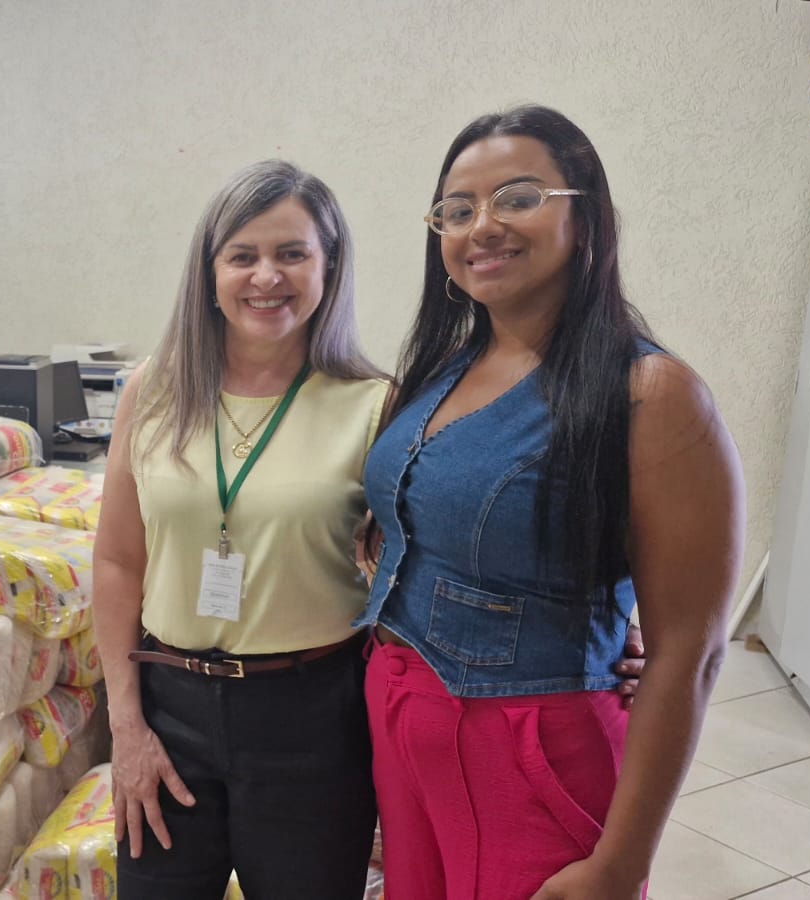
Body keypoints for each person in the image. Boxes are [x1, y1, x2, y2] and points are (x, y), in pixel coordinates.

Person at [356, 106, 743, 899]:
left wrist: (621, 866)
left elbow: (691, 652)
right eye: (457, 210)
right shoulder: (444, 365)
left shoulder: (652, 393)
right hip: (402, 718)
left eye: (519, 198)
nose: (482, 226)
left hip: (529, 746)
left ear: (586, 216)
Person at [93, 159, 392, 897]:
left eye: (292, 253)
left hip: (312, 719)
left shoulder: (373, 404)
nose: (266, 277)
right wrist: (126, 726)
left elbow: (422, 568)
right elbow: (118, 563)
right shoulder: (154, 391)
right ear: (210, 272)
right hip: (169, 711)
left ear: (329, 266)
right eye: (242, 255)